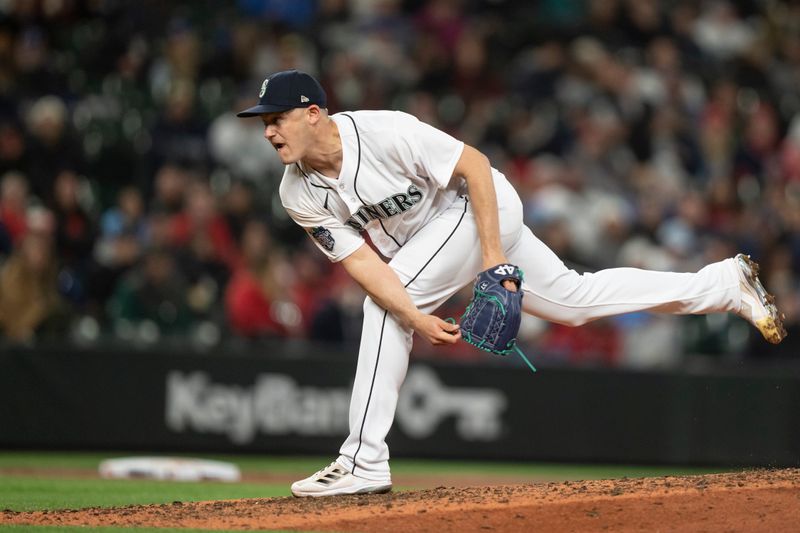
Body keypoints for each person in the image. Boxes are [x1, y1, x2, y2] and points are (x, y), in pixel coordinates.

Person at [236, 69, 786, 497]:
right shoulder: (296, 193)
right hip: (441, 240)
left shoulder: (383, 131)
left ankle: (363, 460)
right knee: (572, 301)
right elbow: (362, 264)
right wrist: (415, 315)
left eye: (276, 118)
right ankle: (722, 284)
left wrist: (494, 260)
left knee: (383, 309)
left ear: (313, 114)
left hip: (483, 207)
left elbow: (474, 165)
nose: (267, 131)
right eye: (263, 122)